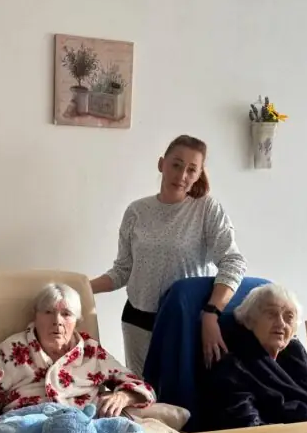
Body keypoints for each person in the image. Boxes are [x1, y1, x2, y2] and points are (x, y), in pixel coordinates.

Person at [90, 135, 247, 375]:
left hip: (184, 322)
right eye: (176, 164)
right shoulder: (136, 211)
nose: (182, 175)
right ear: (161, 164)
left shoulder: (206, 209)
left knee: (181, 393)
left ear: (199, 174)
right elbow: (123, 270)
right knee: (142, 393)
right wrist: (81, 287)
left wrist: (212, 313)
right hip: (137, 322)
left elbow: (233, 262)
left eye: (191, 169)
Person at [0, 283, 157, 429]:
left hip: (85, 428)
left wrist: (123, 396)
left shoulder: (91, 350)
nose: (57, 321)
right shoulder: (12, 349)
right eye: (48, 312)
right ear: (35, 316)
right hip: (26, 429)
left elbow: (141, 387)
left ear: (77, 320)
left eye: (66, 314)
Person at [203, 284, 307, 429]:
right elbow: (248, 427)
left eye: (289, 317)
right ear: (249, 321)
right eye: (271, 314)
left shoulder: (295, 360)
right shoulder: (233, 369)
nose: (281, 323)